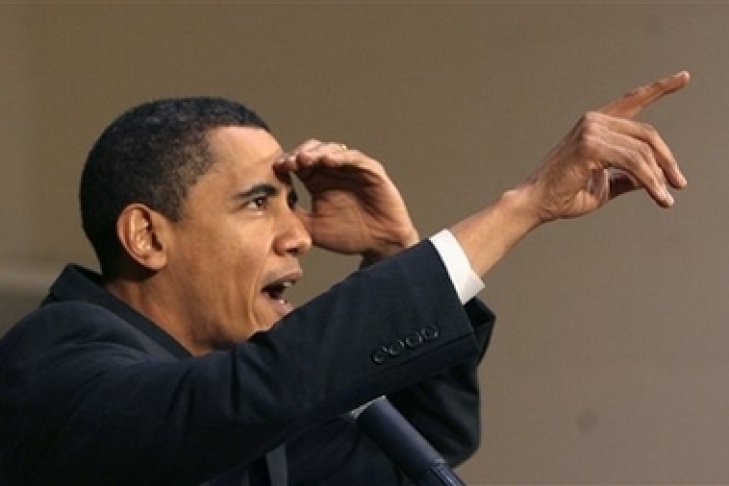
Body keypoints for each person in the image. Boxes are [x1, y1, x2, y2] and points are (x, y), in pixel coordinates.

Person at [0, 70, 690, 485]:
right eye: (258, 202)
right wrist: (522, 206)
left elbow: (421, 447)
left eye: (292, 200)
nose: (299, 234)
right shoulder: (54, 363)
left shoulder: (232, 391)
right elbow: (252, 393)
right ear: (148, 237)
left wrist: (394, 253)